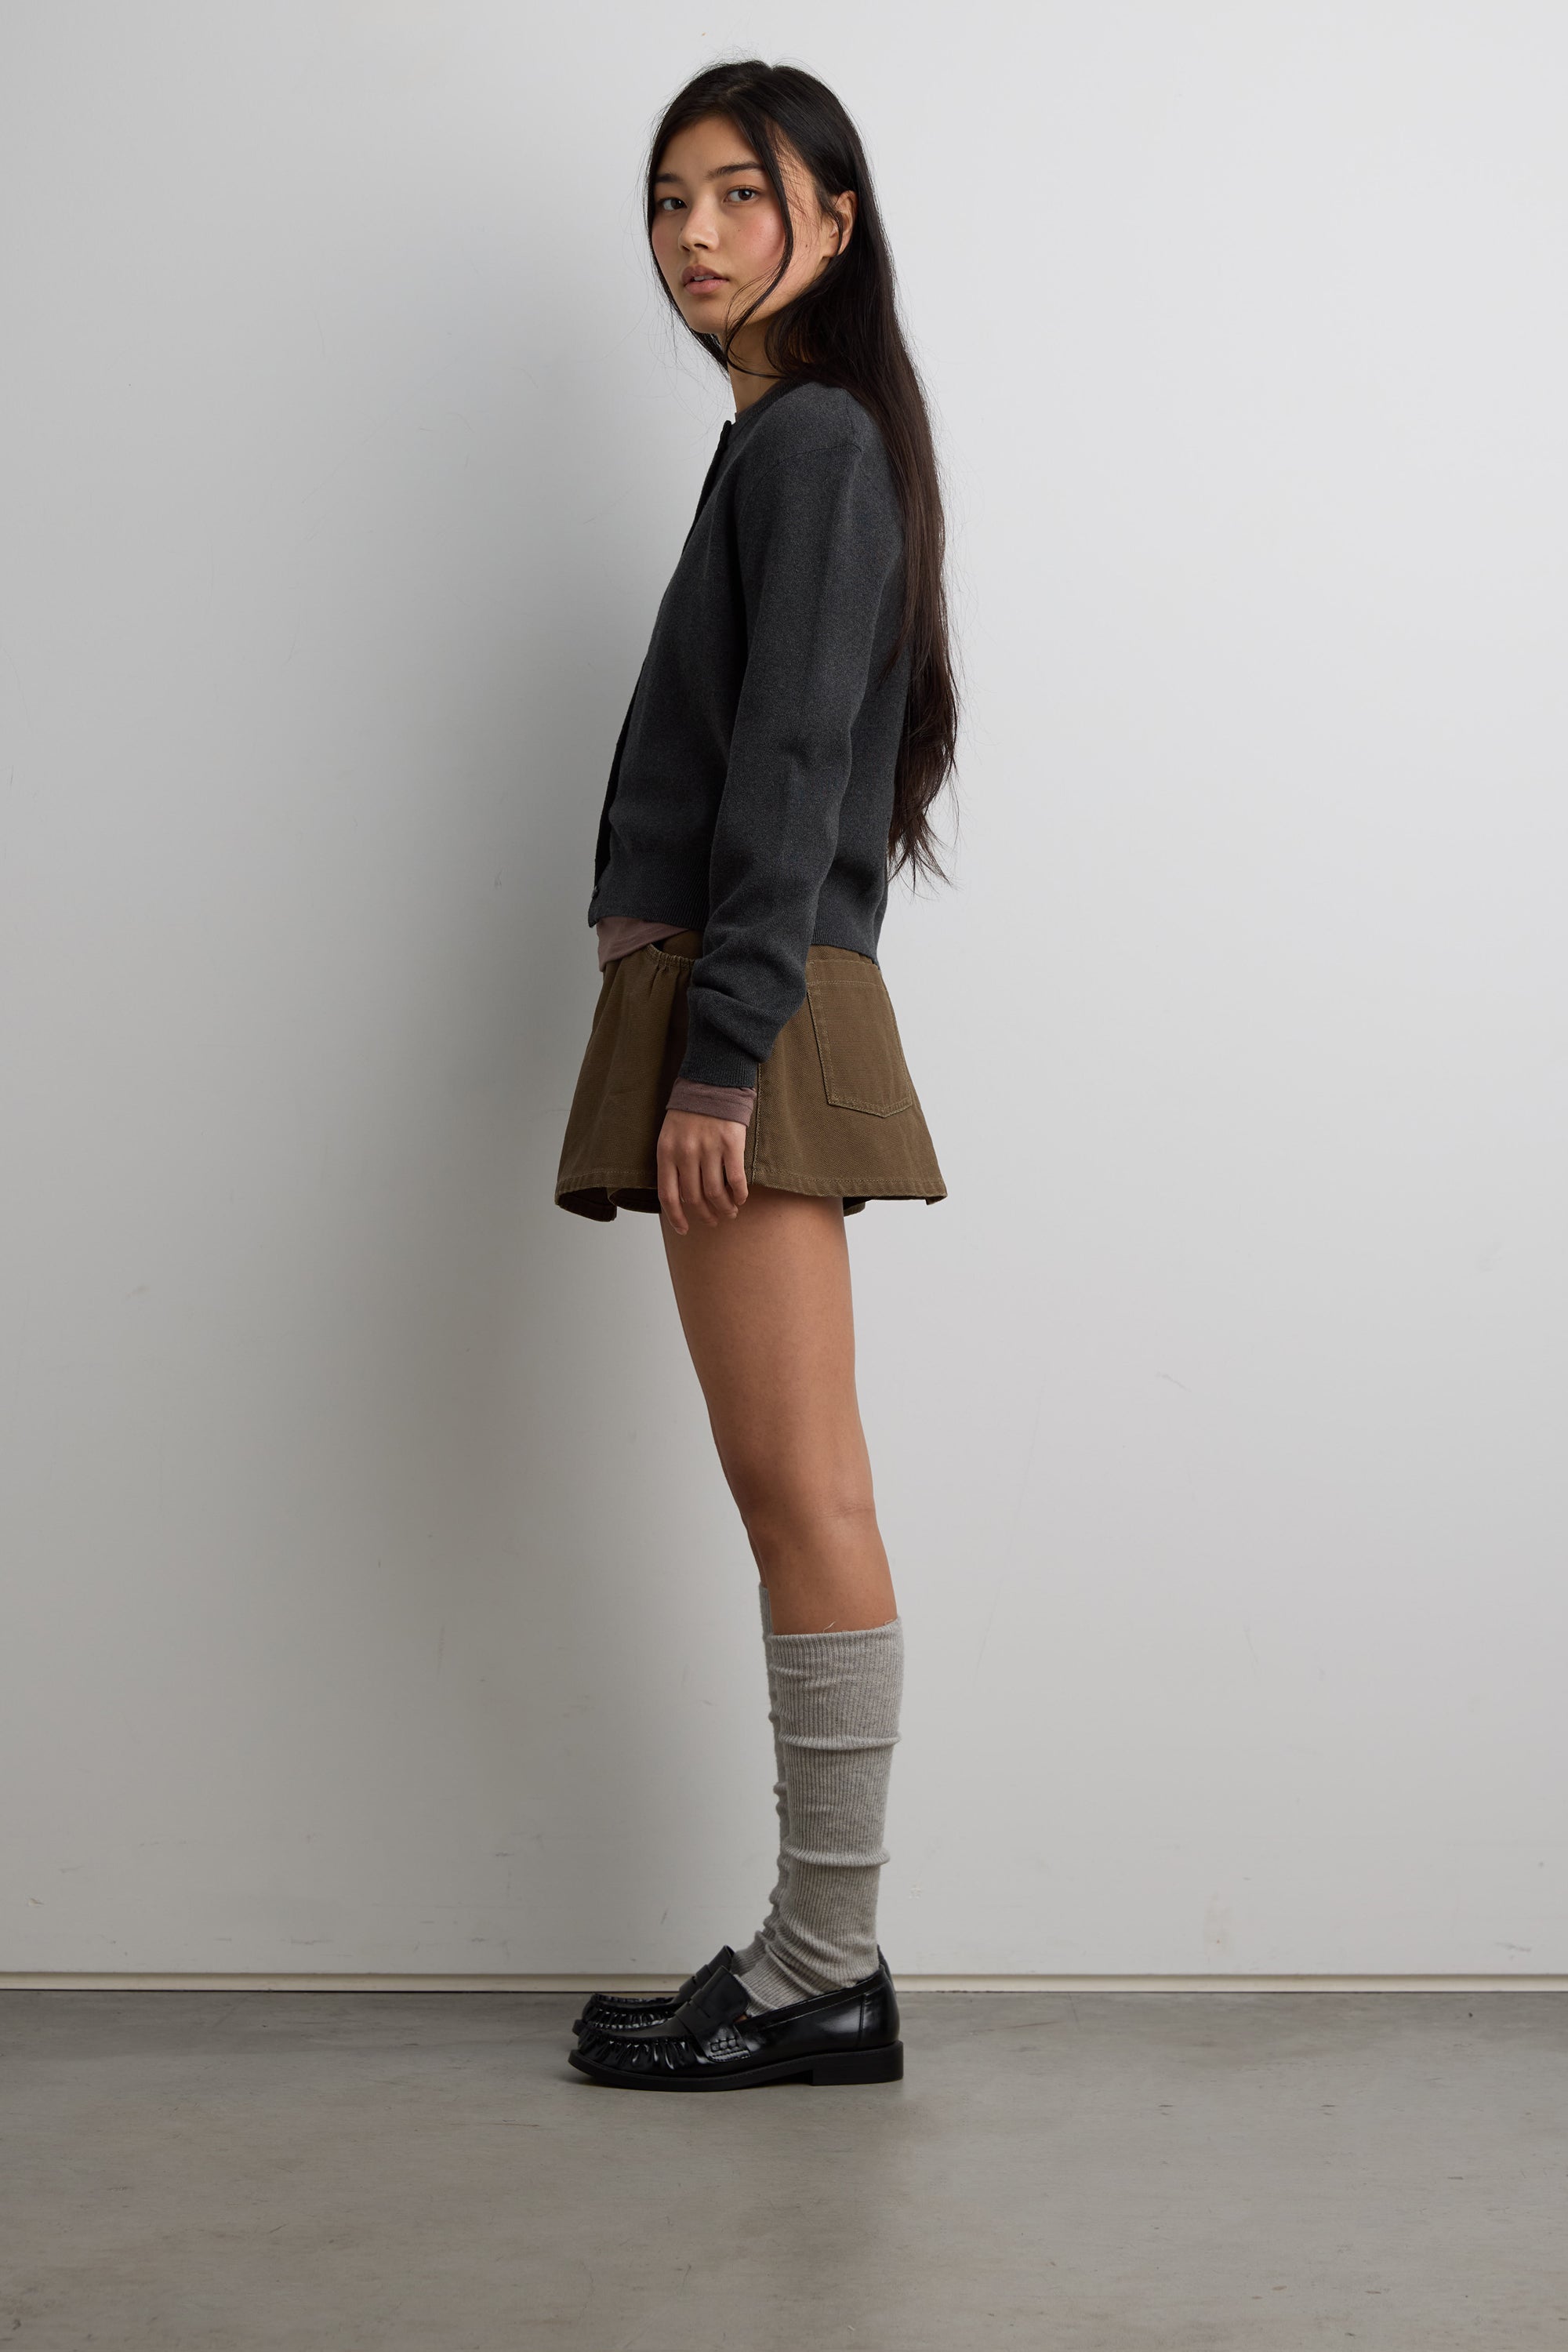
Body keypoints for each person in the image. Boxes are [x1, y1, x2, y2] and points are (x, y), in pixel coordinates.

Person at [555, 58, 957, 2091]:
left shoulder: (811, 444)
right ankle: (817, 1954)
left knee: (802, 1487)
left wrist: (716, 1065)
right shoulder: (790, 446)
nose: (694, 234)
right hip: (735, 998)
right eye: (667, 198)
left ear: (833, 217)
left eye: (738, 192)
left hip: (754, 1012)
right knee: (787, 1482)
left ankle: (824, 1965)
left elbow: (794, 762)